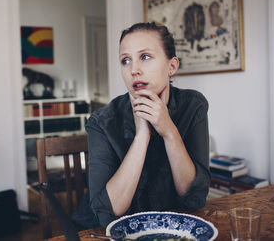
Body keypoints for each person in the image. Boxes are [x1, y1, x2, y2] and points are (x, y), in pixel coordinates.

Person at [86, 22, 211, 227]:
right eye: (125, 60)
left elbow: (194, 199)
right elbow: (108, 213)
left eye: (144, 57)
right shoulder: (102, 121)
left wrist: (169, 131)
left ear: (172, 66)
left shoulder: (193, 106)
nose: (134, 70)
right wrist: (142, 135)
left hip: (172, 229)